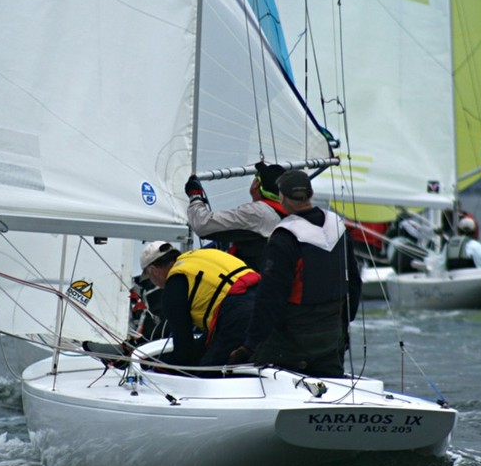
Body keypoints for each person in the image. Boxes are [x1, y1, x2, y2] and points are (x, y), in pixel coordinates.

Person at [228, 170, 362, 378]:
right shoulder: (337, 227)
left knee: (247, 371)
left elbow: (270, 298)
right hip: (331, 337)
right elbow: (354, 283)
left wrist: (250, 345)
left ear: (281, 197)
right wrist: (343, 328)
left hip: (292, 343)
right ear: (310, 194)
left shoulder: (285, 237)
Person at [139, 241, 260, 369]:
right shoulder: (201, 256)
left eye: (149, 278)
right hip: (266, 305)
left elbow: (184, 348)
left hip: (236, 314)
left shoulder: (174, 284)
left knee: (206, 372)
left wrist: (161, 366)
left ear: (153, 270)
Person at [183, 162, 287, 270]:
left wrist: (195, 196)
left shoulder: (257, 213)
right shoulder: (290, 212)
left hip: (252, 282)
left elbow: (202, 224)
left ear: (256, 185)